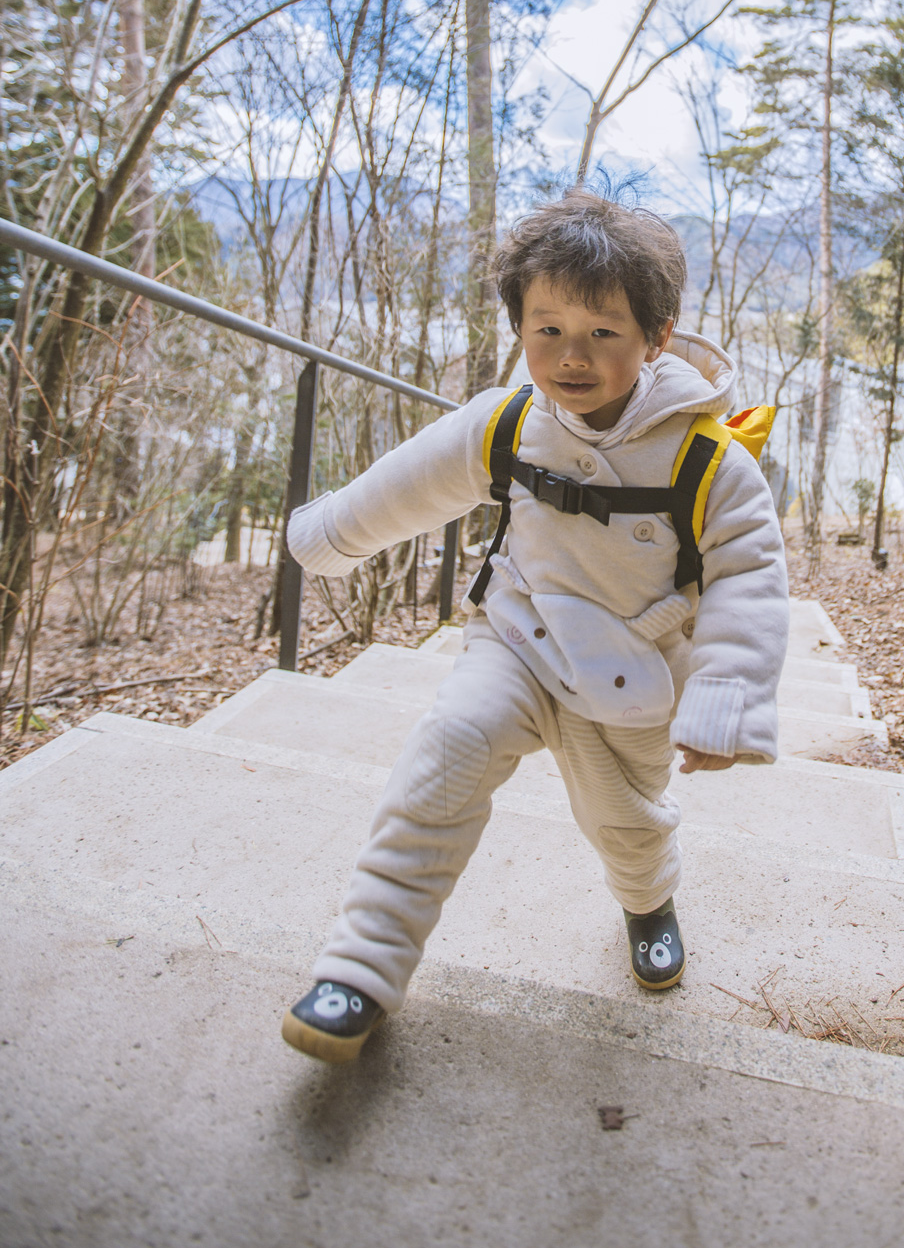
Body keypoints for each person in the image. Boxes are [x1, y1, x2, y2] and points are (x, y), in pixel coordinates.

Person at [280, 189, 790, 1061]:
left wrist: (726, 700)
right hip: (516, 639)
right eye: (546, 328)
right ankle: (358, 968)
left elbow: (749, 577)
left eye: (602, 331)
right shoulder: (508, 420)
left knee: (624, 826)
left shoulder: (710, 459)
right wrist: (327, 538)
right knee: (448, 749)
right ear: (519, 327)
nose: (570, 355)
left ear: (656, 337)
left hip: (630, 675)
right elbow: (410, 483)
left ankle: (647, 904)